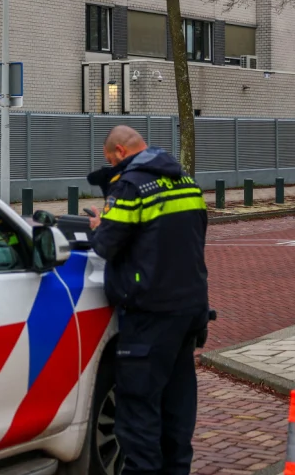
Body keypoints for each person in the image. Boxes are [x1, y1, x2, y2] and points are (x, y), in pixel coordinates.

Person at [86, 126, 208, 475]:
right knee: (177, 411)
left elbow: (107, 245)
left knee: (139, 417)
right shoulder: (185, 182)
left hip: (149, 315)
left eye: (111, 162)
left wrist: (100, 224)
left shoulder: (130, 186)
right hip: (189, 310)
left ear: (121, 153)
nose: (112, 169)